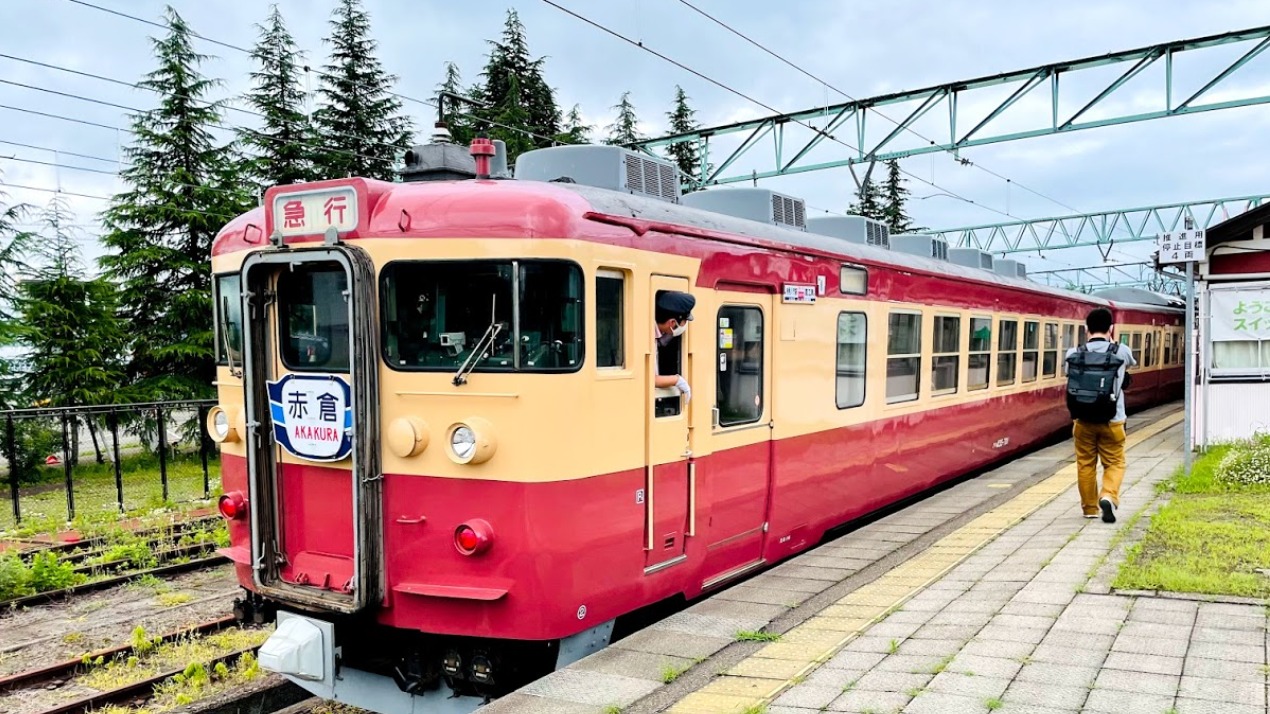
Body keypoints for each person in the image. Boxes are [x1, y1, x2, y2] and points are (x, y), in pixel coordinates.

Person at [1065, 306, 1137, 523]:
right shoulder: (1121, 351)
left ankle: (1089, 509)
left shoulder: (1073, 353)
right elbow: (1131, 364)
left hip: (1082, 419)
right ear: (1111, 328)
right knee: (1115, 462)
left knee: (1085, 463)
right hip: (1113, 419)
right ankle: (1108, 495)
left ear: (1086, 329)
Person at [653, 290, 694, 403]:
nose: (685, 325)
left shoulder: (657, 333)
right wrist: (677, 380)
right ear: (672, 323)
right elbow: (651, 379)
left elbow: (661, 341)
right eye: (685, 321)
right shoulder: (647, 336)